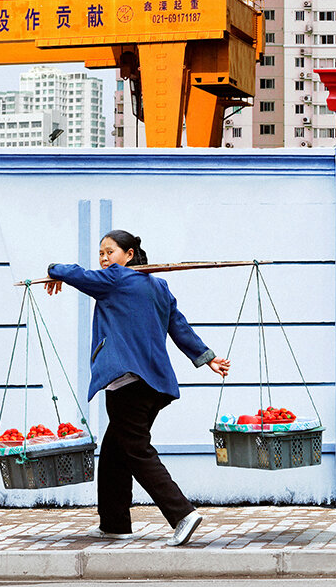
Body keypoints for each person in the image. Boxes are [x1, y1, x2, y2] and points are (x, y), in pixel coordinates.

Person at [42, 230, 229, 546]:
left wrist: (52, 269)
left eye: (109, 252)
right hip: (154, 385)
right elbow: (179, 327)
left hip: (127, 382)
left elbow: (76, 274)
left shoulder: (113, 279)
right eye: (101, 253)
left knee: (137, 450)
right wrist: (206, 357)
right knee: (116, 452)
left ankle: (182, 513)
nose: (103, 259)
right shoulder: (158, 286)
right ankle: (115, 523)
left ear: (129, 255)